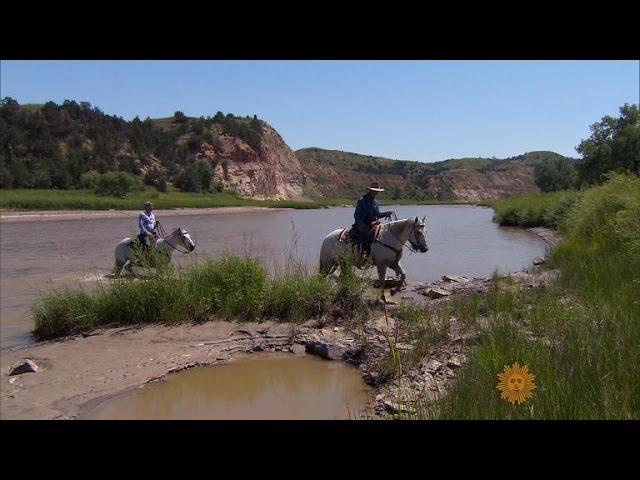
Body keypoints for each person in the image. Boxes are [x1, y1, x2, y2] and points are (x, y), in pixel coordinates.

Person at [353, 182, 394, 255]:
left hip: (372, 223)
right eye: (375, 191)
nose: (376, 193)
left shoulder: (375, 202)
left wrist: (386, 213)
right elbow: (357, 215)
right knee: (365, 234)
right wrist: (362, 224)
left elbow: (377, 214)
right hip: (362, 224)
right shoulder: (362, 200)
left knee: (383, 231)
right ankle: (363, 254)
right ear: (371, 191)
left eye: (377, 191)